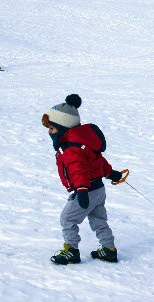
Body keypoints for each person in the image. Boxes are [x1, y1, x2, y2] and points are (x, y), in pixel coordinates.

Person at [42, 94, 124, 265]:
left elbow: (78, 170)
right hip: (98, 189)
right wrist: (110, 173)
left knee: (68, 219)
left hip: (86, 190)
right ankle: (109, 249)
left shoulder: (70, 148)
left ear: (62, 126)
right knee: (98, 220)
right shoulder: (82, 141)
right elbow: (97, 161)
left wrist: (81, 190)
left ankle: (71, 250)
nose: (49, 132)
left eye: (51, 128)